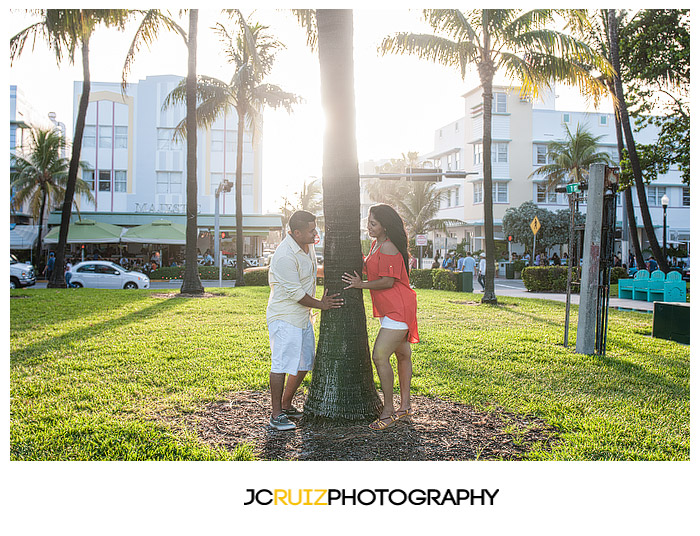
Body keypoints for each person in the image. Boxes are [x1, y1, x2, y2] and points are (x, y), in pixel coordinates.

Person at [343, 204, 419, 431]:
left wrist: (360, 285)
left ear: (385, 225)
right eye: (368, 222)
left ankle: (388, 411)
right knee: (403, 355)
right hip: (390, 310)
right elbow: (375, 270)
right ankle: (405, 406)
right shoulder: (377, 245)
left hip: (399, 309)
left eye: (373, 223)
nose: (369, 226)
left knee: (379, 356)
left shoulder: (388, 247)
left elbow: (387, 281)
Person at [267, 210, 343, 431]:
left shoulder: (307, 246)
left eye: (315, 228)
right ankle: (276, 415)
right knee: (281, 364)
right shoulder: (284, 256)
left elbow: (309, 274)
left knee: (305, 361)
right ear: (296, 232)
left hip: (302, 316)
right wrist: (322, 304)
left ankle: (286, 404)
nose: (315, 233)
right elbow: (296, 293)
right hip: (284, 316)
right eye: (311, 230)